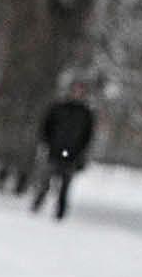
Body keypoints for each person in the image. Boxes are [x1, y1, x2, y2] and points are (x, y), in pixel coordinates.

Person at [29, 82, 97, 219]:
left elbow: (88, 135)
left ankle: (60, 212)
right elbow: (46, 126)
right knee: (45, 181)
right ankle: (37, 205)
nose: (77, 94)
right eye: (75, 91)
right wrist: (47, 143)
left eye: (80, 92)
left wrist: (81, 152)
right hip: (54, 150)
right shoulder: (58, 108)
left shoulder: (85, 113)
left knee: (65, 186)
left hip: (73, 155)